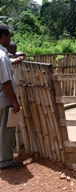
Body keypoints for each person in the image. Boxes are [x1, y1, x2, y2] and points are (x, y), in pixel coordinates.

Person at [0, 24, 24, 169]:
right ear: (3, 37)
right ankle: (5, 161)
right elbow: (6, 81)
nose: (10, 38)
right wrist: (14, 101)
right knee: (6, 131)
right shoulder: (2, 56)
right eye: (9, 35)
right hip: (3, 99)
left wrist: (14, 60)